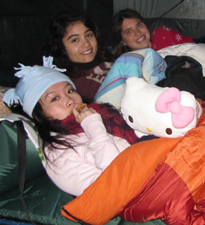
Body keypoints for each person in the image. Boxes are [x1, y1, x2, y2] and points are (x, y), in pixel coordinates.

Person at [3, 57, 154, 197]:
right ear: (40, 114)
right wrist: (93, 126)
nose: (70, 100)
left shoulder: (104, 114)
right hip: (143, 193)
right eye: (55, 98)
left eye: (70, 90)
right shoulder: (59, 152)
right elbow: (118, 182)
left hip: (158, 168)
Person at [43, 12, 114, 103]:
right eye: (75, 40)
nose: (86, 43)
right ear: (61, 48)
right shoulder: (70, 86)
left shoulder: (113, 59)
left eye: (89, 35)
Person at [112, 8, 194, 58]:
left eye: (139, 25)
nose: (137, 32)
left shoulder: (163, 34)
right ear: (122, 41)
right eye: (129, 31)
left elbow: (194, 49)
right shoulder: (130, 63)